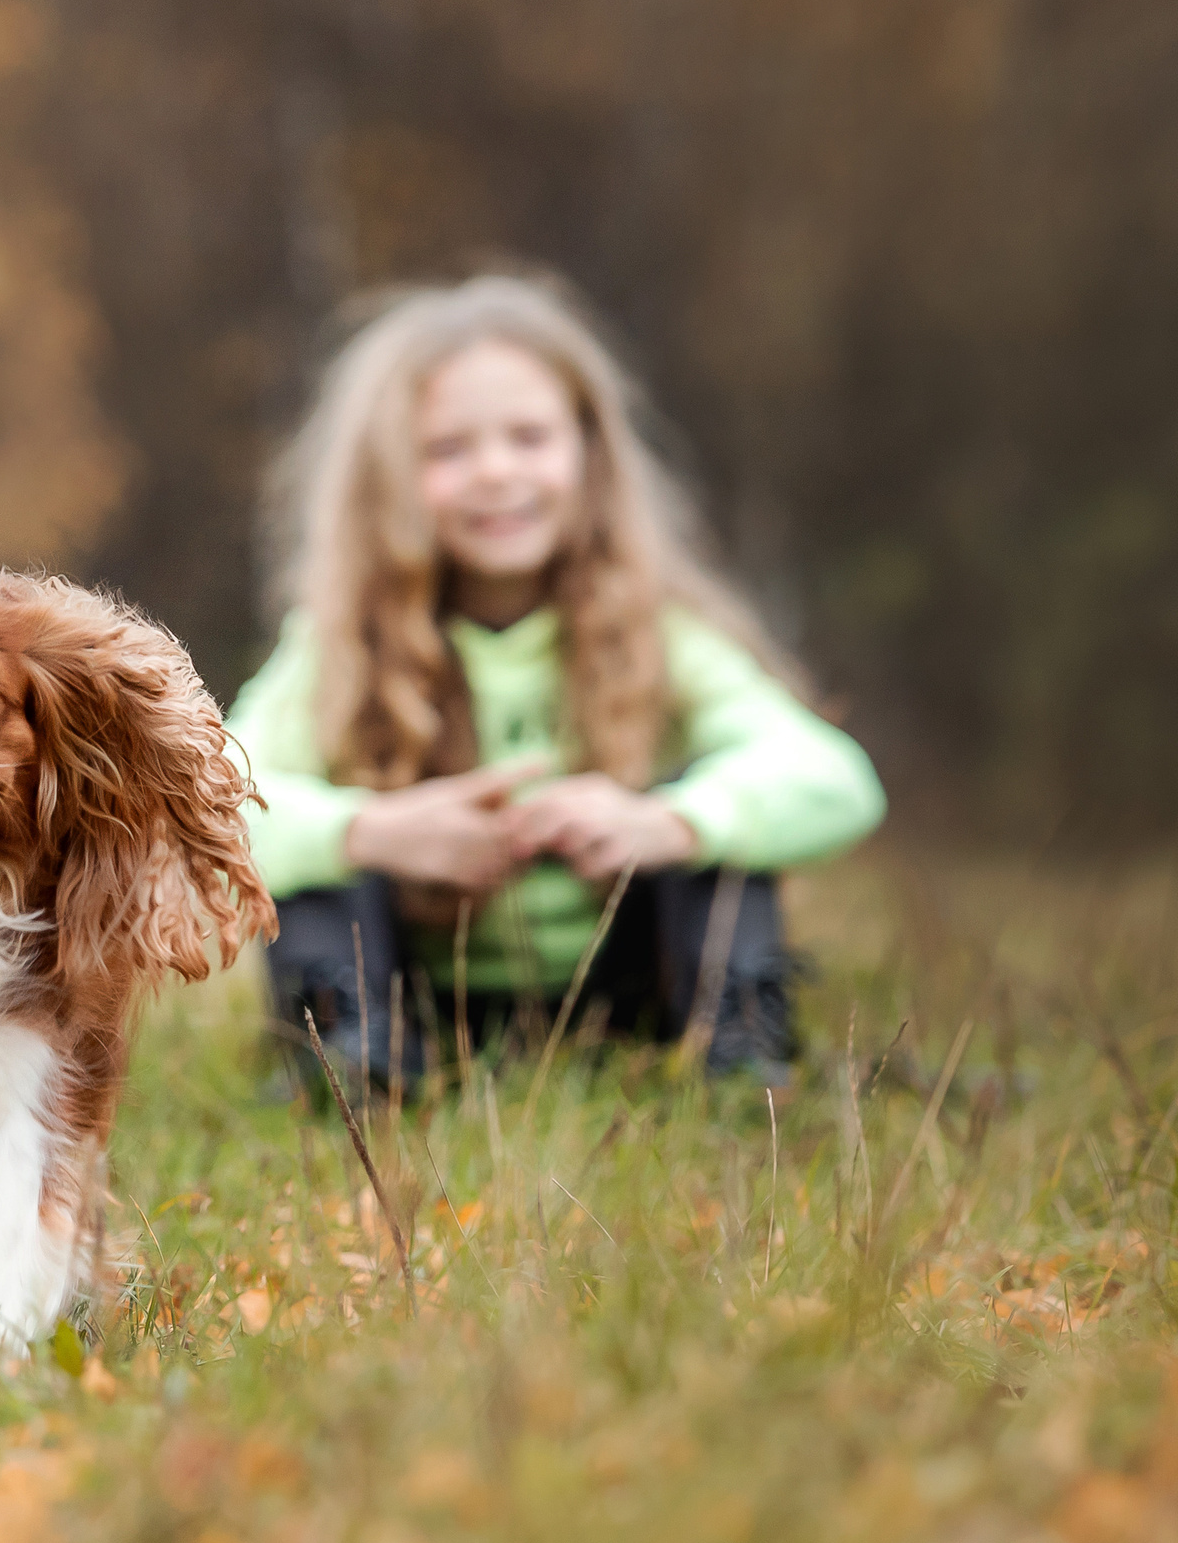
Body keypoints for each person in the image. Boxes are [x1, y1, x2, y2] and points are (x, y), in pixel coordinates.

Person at [230, 272, 884, 1095]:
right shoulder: (337, 647)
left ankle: (741, 1059)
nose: (496, 472)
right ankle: (350, 1062)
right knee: (315, 848)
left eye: (529, 438)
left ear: (590, 455)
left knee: (720, 825)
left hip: (630, 998)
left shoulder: (662, 632)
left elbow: (837, 781)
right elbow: (209, 807)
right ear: (386, 481)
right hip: (422, 1002)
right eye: (448, 450)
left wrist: (670, 824)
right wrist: (369, 832)